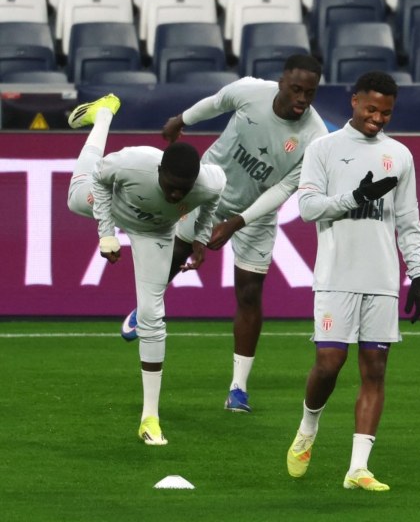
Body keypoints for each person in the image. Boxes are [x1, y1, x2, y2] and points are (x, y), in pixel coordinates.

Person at [122, 54, 327, 414]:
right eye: (296, 89)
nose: (301, 99)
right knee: (175, 253)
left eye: (309, 93)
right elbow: (216, 103)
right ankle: (144, 309)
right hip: (206, 189)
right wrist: (180, 120)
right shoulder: (250, 92)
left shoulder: (315, 137)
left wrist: (238, 222)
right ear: (282, 81)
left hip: (256, 214)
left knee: (250, 291)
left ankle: (238, 388)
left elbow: (283, 190)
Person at [286, 72, 420, 492]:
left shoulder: (399, 155)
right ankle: (308, 427)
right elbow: (308, 207)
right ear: (354, 102)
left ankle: (358, 469)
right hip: (336, 277)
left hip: (382, 279)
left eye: (385, 112)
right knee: (330, 363)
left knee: (375, 370)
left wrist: (418, 273)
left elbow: (408, 220)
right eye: (371, 109)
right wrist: (354, 198)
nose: (378, 118)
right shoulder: (323, 149)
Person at [67, 94, 226, 445]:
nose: (175, 196)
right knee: (73, 194)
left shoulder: (208, 181)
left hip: (154, 231)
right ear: (159, 173)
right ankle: (104, 115)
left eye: (181, 192)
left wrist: (199, 238)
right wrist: (106, 234)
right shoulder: (132, 164)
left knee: (153, 315)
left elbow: (214, 198)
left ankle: (149, 417)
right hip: (115, 203)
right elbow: (99, 179)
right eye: (170, 187)